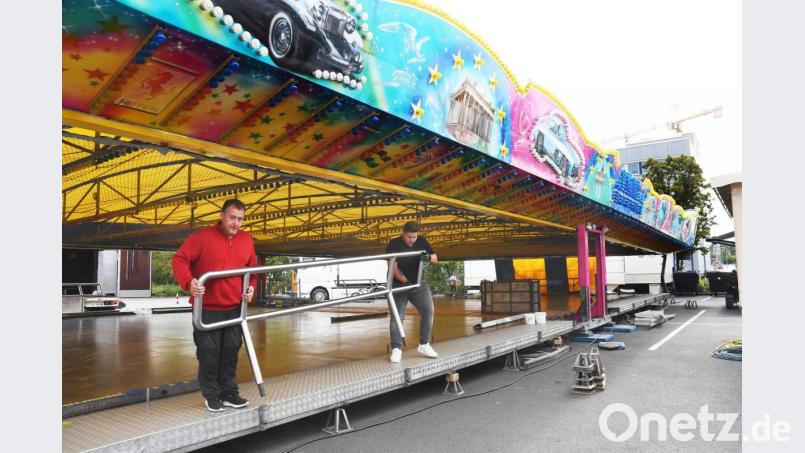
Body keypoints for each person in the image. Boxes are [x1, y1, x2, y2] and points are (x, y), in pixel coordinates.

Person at [172, 199, 257, 412]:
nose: (236, 223)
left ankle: (229, 393)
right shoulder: (202, 237)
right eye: (232, 218)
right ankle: (212, 395)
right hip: (207, 308)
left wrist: (252, 287)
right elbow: (180, 259)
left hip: (235, 308)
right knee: (209, 353)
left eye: (240, 219)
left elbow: (252, 270)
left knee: (230, 352)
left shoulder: (246, 240)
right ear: (222, 215)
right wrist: (189, 282)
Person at [385, 221, 439, 363]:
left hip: (418, 284)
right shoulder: (394, 244)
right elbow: (392, 267)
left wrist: (428, 257)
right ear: (404, 234)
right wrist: (406, 282)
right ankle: (396, 348)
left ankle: (424, 344)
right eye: (409, 237)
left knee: (428, 311)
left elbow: (435, 258)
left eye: (414, 237)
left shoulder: (422, 241)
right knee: (397, 316)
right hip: (398, 285)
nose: (412, 240)